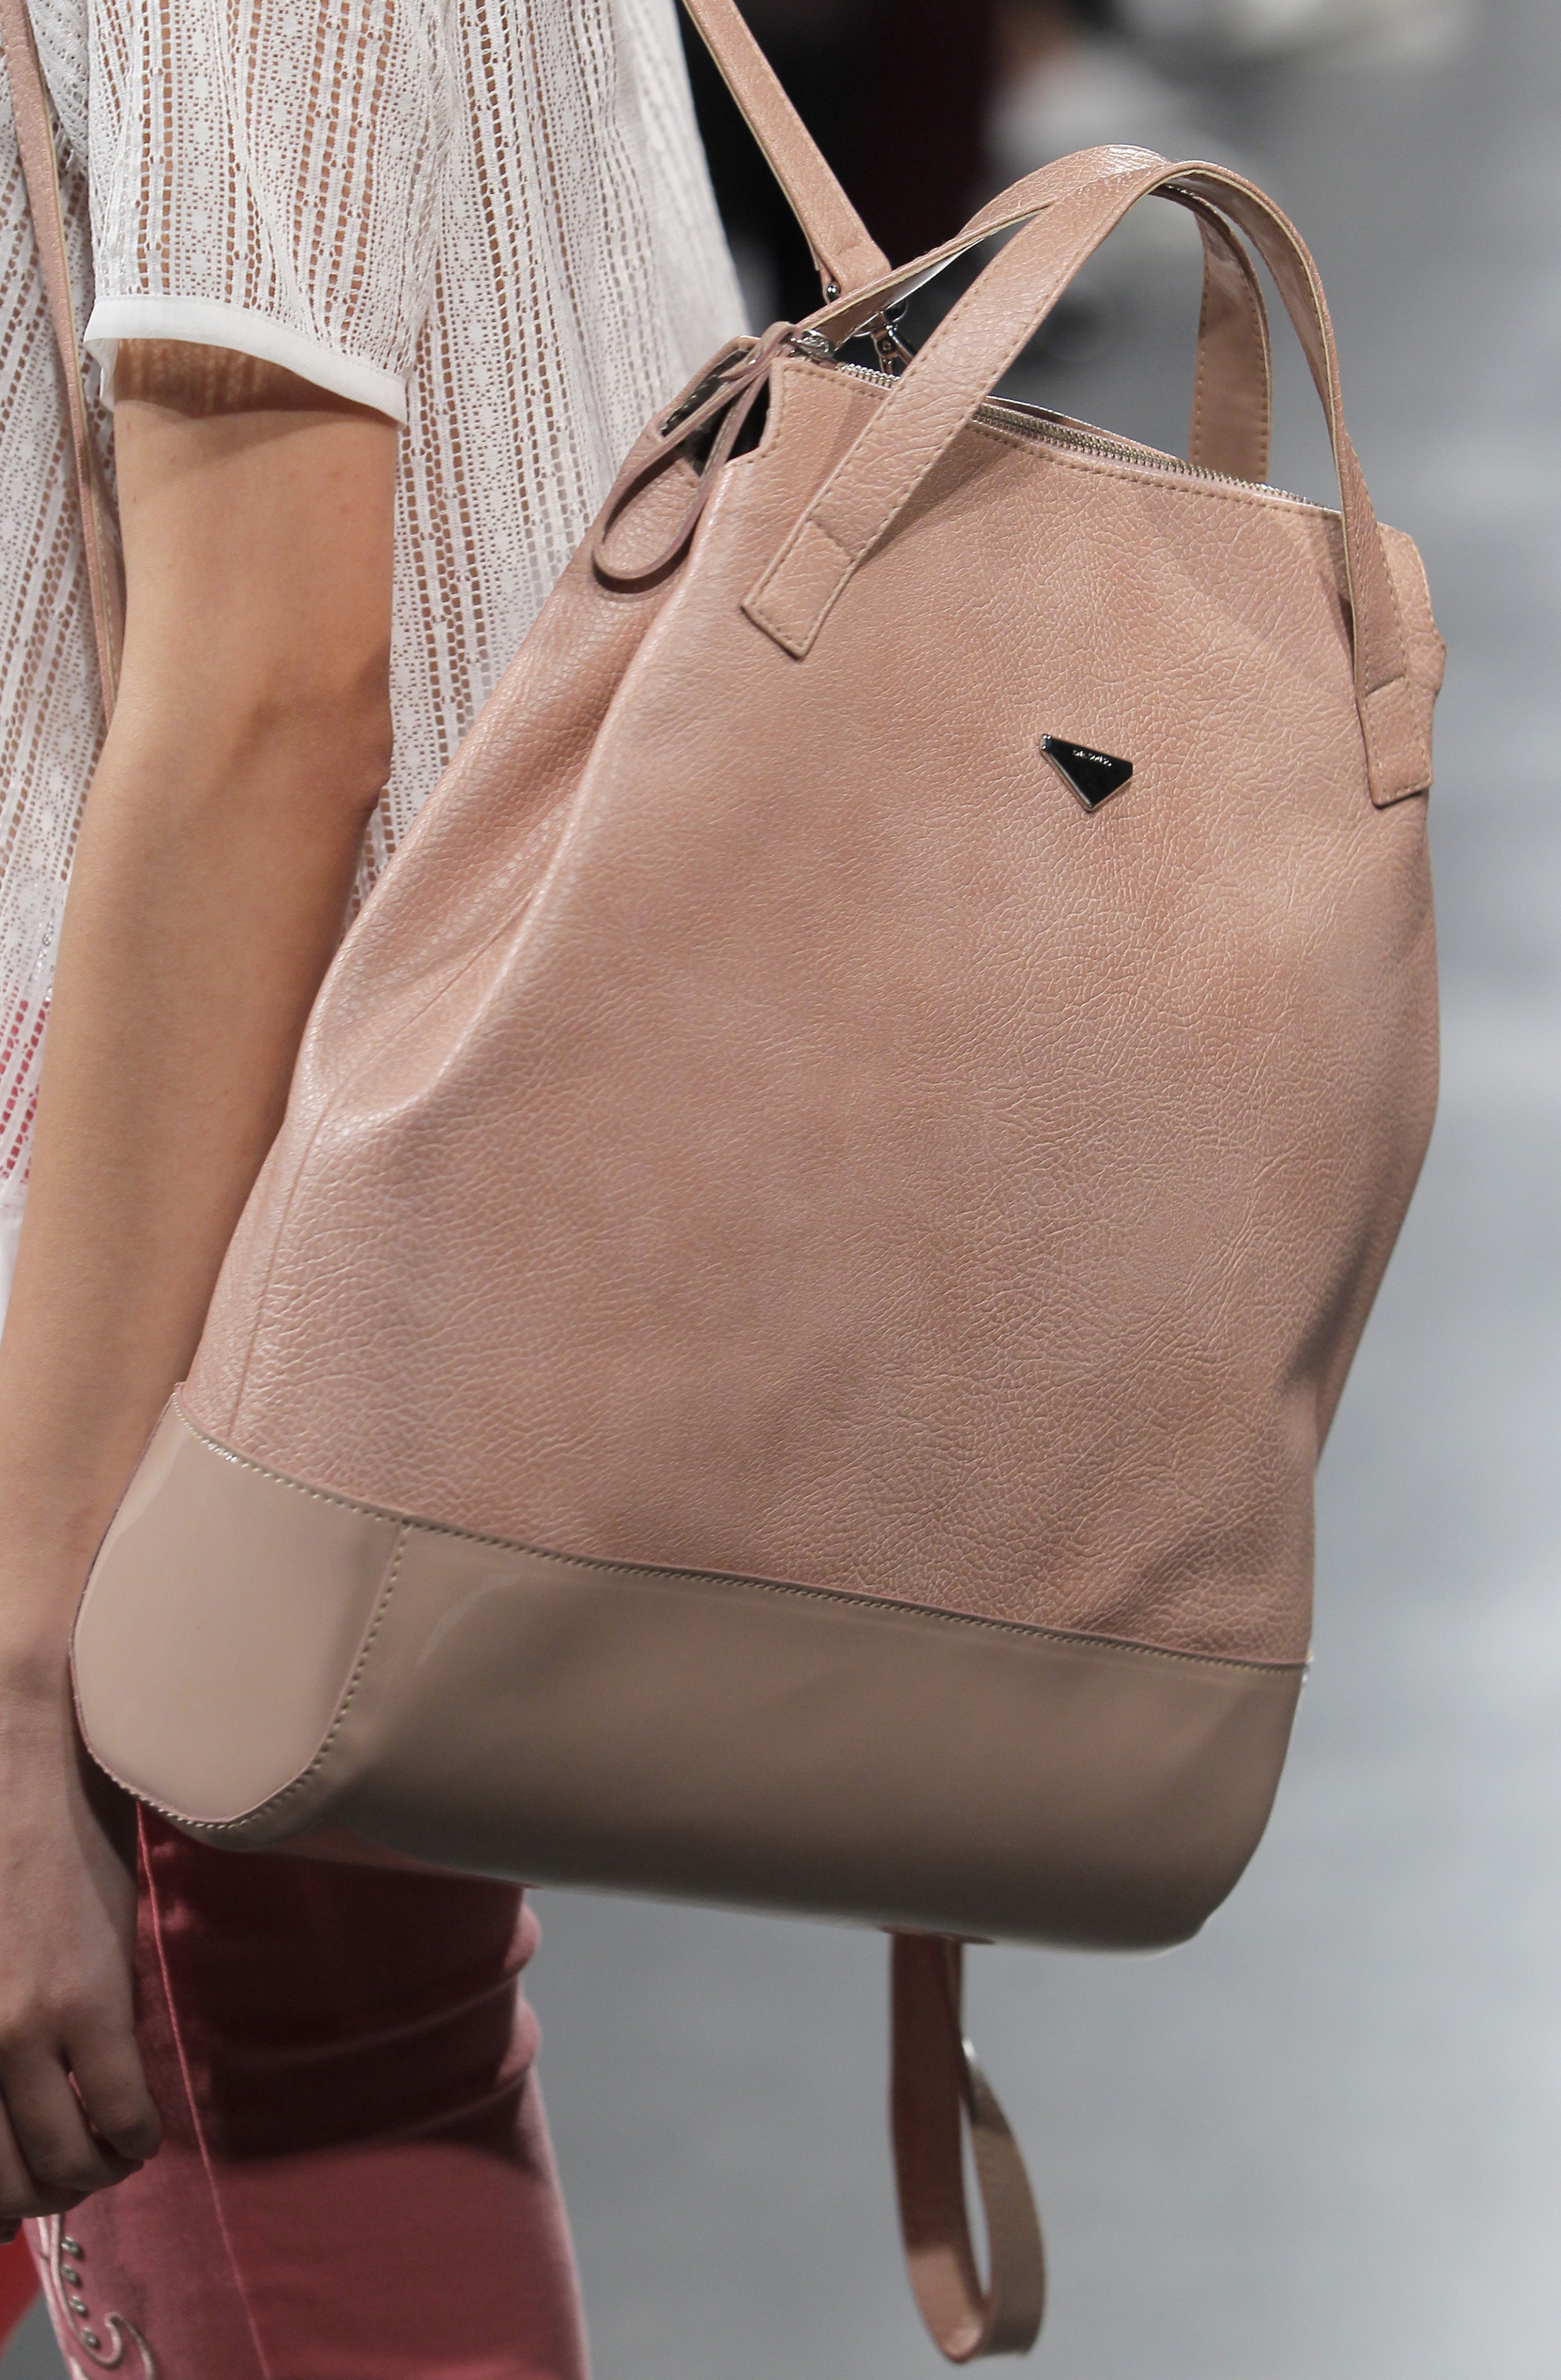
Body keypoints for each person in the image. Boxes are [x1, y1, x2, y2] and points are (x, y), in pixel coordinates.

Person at [0, 0, 742, 2368]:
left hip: (161, 1278)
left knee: (283, 2126)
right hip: (273, 1220)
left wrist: (23, 1673)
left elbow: (271, 693)